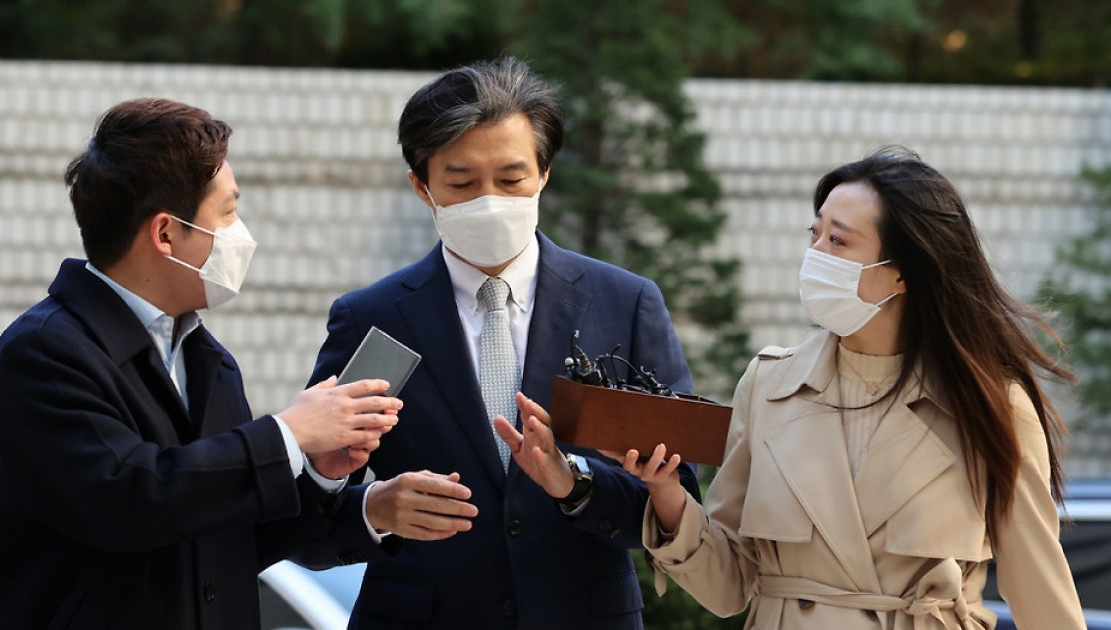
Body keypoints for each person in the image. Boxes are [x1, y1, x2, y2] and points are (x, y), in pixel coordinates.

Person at [0, 98, 402, 630]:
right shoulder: (46, 352)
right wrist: (287, 435)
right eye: (227, 213)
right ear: (165, 234)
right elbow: (131, 499)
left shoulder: (208, 362)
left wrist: (321, 472)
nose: (240, 233)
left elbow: (227, 540)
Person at [297, 56, 702, 629]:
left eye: (511, 179)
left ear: (544, 173)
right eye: (461, 183)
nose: (489, 200)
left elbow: (677, 496)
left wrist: (575, 484)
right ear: (422, 187)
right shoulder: (372, 319)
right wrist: (373, 508)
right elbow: (302, 519)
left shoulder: (624, 303)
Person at [609, 147, 1085, 628]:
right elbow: (729, 586)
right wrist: (666, 493)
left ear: (903, 271)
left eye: (838, 242)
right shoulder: (770, 385)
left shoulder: (989, 404)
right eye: (813, 235)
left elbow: (1040, 592)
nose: (815, 256)